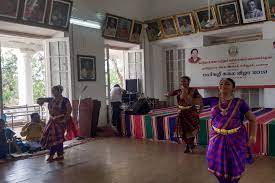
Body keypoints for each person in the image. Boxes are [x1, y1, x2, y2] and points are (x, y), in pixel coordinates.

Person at [203, 78, 257, 183]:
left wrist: (252, 136)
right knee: (216, 165)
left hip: (236, 139)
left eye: (227, 84)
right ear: (218, 87)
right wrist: (187, 89)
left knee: (234, 167)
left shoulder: (239, 102)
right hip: (216, 139)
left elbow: (252, 119)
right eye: (221, 84)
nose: (223, 85)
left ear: (233, 88)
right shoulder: (212, 100)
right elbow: (193, 100)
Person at [165, 76, 203, 153]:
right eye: (181, 81)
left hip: (191, 112)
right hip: (181, 113)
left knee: (191, 130)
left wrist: (199, 111)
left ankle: (190, 145)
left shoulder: (193, 90)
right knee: (183, 131)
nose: (183, 82)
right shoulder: (179, 91)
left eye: (184, 81)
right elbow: (169, 94)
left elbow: (200, 101)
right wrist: (167, 94)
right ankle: (188, 145)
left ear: (188, 82)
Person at [37, 85, 72, 162]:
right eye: (52, 91)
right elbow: (41, 100)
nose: (52, 92)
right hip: (52, 121)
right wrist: (40, 101)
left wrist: (64, 120)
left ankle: (51, 155)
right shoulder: (51, 100)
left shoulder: (65, 100)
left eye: (54, 91)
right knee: (55, 138)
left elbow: (69, 110)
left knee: (56, 138)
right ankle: (60, 155)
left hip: (60, 121)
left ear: (59, 91)